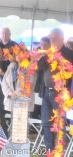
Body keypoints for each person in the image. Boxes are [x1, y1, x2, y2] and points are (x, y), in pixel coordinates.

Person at [37, 28, 73, 156]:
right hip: (46, 92)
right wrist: (44, 55)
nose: (52, 41)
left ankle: (59, 152)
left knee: (59, 124)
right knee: (47, 123)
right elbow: (38, 67)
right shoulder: (48, 53)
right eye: (50, 38)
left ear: (62, 39)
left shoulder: (69, 54)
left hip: (60, 95)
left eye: (55, 38)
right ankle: (49, 151)